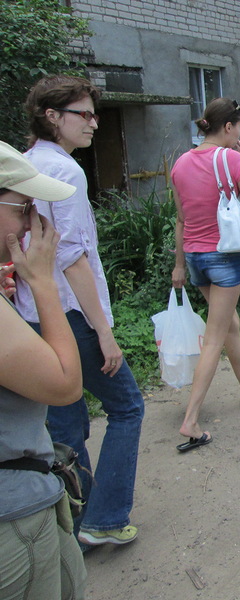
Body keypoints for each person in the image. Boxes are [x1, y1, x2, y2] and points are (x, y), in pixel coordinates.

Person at [15, 75, 145, 547]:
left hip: (32, 313)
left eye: (94, 114)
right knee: (127, 406)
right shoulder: (65, 173)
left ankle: (73, 521)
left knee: (66, 423)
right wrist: (104, 331)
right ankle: (104, 519)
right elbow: (72, 257)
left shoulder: (25, 164)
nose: (93, 123)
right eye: (83, 114)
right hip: (71, 314)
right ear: (51, 116)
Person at [0, 140, 87, 598]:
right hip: (13, 517)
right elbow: (65, 384)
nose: (32, 223)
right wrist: (43, 282)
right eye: (23, 208)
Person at [171, 97, 240, 451]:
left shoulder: (180, 163)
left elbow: (181, 219)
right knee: (214, 338)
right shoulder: (230, 158)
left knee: (230, 324)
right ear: (228, 126)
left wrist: (179, 264)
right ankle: (191, 421)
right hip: (224, 258)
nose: (239, 134)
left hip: (195, 259)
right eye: (239, 128)